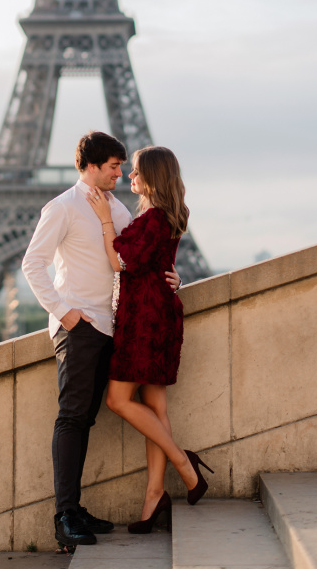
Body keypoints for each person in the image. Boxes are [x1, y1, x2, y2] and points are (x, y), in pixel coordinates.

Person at [22, 131, 181, 550]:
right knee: (72, 417)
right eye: (113, 166)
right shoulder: (63, 207)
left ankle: (75, 509)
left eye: (123, 166)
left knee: (85, 419)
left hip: (112, 328)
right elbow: (33, 264)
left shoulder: (117, 209)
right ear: (91, 166)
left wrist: (174, 277)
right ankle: (65, 516)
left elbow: (137, 258)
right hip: (79, 327)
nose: (120, 173)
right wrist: (65, 313)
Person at [86, 145, 213, 532]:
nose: (130, 175)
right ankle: (154, 497)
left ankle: (183, 463)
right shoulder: (163, 214)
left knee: (117, 399)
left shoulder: (155, 217)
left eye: (137, 170)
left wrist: (105, 220)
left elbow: (120, 262)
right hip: (156, 315)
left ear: (153, 176)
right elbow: (158, 262)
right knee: (155, 409)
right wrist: (174, 278)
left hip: (145, 321)